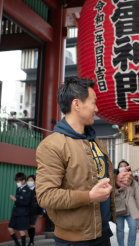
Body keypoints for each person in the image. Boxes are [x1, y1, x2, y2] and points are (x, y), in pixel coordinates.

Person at [36, 77, 133, 246]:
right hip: (74, 240)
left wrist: (115, 182)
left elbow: (92, 178)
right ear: (76, 104)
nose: (96, 108)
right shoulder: (52, 145)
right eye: (93, 103)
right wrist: (89, 196)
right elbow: (46, 196)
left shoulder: (95, 141)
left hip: (102, 233)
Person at [115, 160, 139, 246]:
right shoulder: (115, 179)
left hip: (131, 208)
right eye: (121, 166)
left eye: (125, 165)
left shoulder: (133, 181)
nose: (122, 167)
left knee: (133, 227)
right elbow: (111, 193)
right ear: (118, 168)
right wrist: (119, 190)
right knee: (120, 229)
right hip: (119, 207)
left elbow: (138, 195)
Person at [8, 172, 32, 246]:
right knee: (10, 228)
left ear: (23, 181)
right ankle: (17, 244)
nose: (17, 183)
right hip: (15, 213)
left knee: (21, 231)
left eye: (18, 181)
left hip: (22, 213)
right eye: (16, 182)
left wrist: (16, 200)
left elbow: (26, 202)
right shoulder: (18, 189)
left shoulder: (28, 190)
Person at [26, 175, 43, 246]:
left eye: (31, 180)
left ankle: (31, 241)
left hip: (35, 211)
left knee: (32, 225)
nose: (29, 182)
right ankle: (30, 240)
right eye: (28, 180)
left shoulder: (38, 191)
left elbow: (40, 202)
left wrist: (40, 212)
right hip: (26, 211)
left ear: (35, 182)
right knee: (27, 226)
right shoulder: (25, 190)